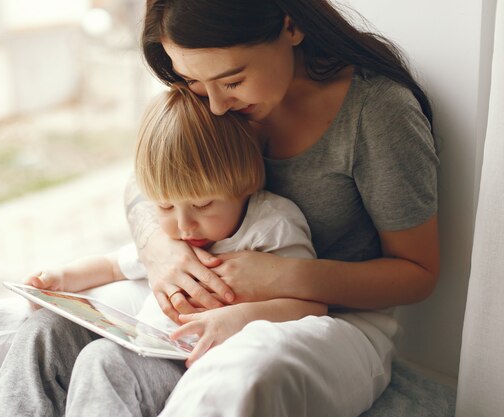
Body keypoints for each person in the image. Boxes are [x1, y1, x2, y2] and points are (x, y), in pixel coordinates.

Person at [121, 0, 439, 416]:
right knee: (48, 323)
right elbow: (147, 183)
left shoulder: (377, 113)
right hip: (212, 299)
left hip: (335, 322)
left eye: (233, 81)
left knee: (244, 376)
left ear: (291, 27)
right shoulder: (209, 88)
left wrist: (284, 276)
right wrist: (158, 249)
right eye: (190, 79)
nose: (214, 105)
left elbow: (418, 275)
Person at [0, 85, 325, 416]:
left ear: (246, 182)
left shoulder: (271, 225)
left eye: (203, 204)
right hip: (144, 341)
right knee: (42, 330)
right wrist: (62, 278)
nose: (184, 225)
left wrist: (240, 317)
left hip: (186, 362)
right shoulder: (175, 240)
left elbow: (311, 303)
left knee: (103, 361)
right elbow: (114, 265)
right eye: (163, 207)